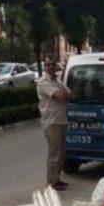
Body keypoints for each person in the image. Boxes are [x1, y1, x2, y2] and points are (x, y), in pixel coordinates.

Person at [36, 57, 71, 190]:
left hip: (61, 119)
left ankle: (57, 178)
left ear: (56, 66)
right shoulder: (43, 82)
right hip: (51, 122)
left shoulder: (57, 80)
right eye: (48, 65)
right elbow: (61, 96)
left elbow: (69, 94)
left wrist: (62, 93)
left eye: (52, 64)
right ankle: (51, 183)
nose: (50, 67)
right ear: (45, 67)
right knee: (54, 153)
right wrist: (62, 93)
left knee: (61, 152)